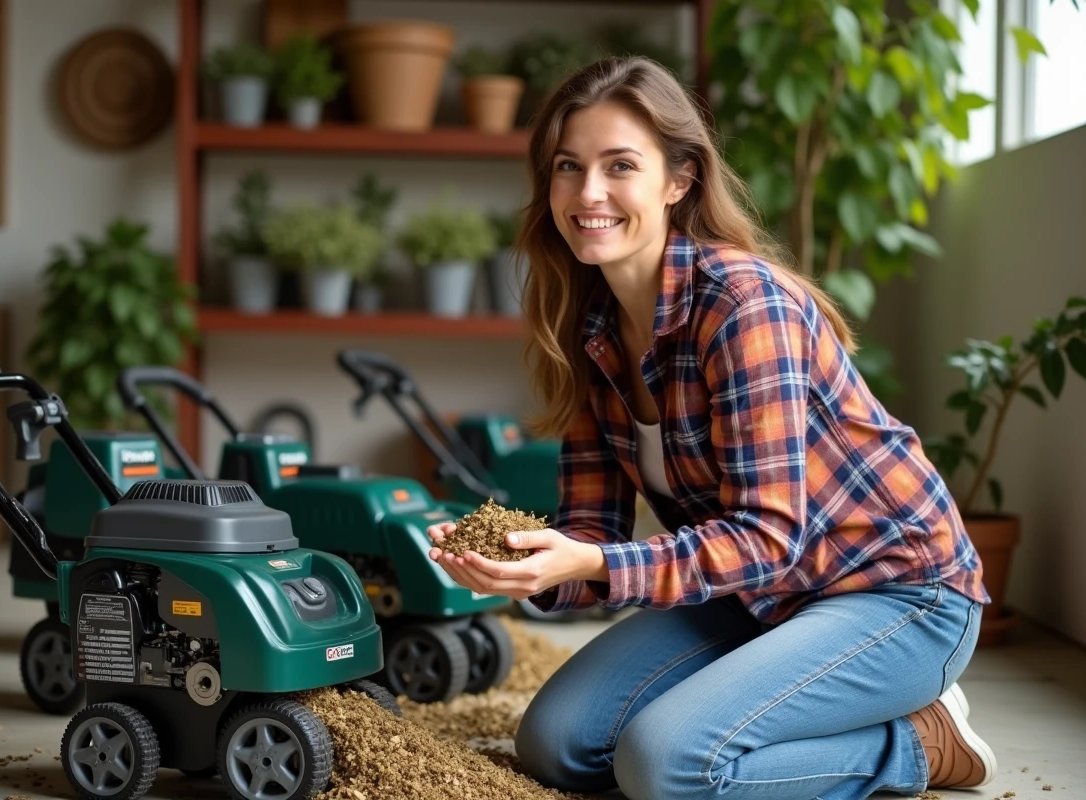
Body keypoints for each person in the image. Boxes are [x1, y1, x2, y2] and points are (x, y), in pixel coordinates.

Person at [426, 56, 995, 800]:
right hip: (756, 594)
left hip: (898, 596)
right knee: (556, 744)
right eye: (568, 167)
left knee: (664, 765)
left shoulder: (740, 304)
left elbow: (767, 538)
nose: (588, 192)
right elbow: (591, 536)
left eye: (619, 165)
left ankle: (922, 742)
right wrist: (522, 564)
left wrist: (591, 566)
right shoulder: (590, 329)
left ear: (679, 180)